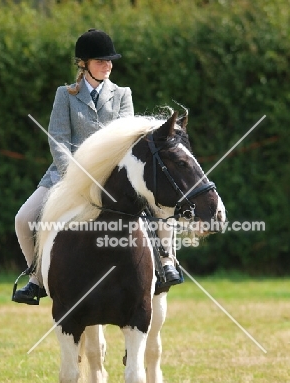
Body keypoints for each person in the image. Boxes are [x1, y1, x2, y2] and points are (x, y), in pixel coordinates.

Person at [13, 29, 181, 305]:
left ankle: (166, 261)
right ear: (84, 64)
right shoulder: (65, 95)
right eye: (101, 61)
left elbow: (125, 138)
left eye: (110, 61)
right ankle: (37, 277)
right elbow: (58, 139)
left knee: (162, 205)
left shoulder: (122, 94)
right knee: (23, 218)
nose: (108, 65)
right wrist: (75, 177)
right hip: (65, 173)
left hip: (113, 174)